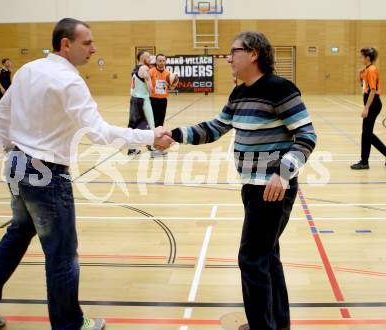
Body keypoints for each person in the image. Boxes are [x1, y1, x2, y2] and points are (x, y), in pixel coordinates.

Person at [0, 18, 173, 330]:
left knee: (18, 234)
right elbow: (99, 133)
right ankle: (69, 324)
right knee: (61, 255)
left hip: (17, 167)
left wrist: (13, 151)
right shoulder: (70, 82)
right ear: (65, 44)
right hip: (46, 176)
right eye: (87, 43)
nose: (94, 49)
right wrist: (149, 136)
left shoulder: (29, 70)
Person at [170, 32, 316, 330]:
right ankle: (277, 323)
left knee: (251, 259)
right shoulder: (239, 93)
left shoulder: (280, 89)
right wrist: (174, 135)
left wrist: (282, 173)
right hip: (252, 187)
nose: (228, 58)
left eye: (233, 52)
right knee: (266, 256)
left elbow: (307, 136)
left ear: (253, 54)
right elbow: (215, 127)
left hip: (272, 188)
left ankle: (262, 325)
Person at [350, 47, 386, 169]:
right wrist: (359, 75)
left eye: (362, 56)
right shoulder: (366, 70)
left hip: (373, 103)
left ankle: (364, 162)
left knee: (366, 134)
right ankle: (365, 161)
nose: (360, 58)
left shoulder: (372, 70)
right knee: (367, 134)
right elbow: (363, 87)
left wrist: (366, 108)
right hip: (370, 101)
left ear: (367, 58)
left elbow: (373, 90)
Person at [127, 49, 156, 156]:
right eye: (148, 57)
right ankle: (153, 147)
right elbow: (149, 85)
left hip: (134, 99)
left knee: (133, 125)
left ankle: (132, 149)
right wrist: (152, 94)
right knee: (151, 123)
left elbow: (131, 87)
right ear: (143, 58)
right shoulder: (144, 68)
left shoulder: (134, 69)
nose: (150, 59)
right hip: (143, 100)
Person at [149, 53, 179, 157]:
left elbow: (170, 88)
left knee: (160, 124)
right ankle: (153, 147)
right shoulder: (151, 72)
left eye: (163, 61)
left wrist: (173, 85)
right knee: (153, 124)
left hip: (163, 101)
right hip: (152, 100)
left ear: (165, 62)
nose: (161, 62)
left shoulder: (168, 74)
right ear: (156, 62)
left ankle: (156, 147)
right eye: (159, 61)